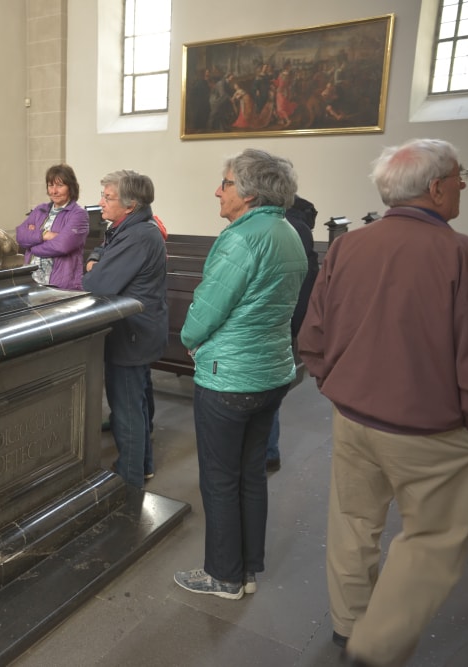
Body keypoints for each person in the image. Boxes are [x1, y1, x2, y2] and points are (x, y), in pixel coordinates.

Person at [298, 139, 468, 667]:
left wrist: (335, 383)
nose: (463, 184)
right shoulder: (460, 252)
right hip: (429, 428)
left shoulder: (349, 246)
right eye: (459, 176)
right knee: (433, 537)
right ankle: (376, 649)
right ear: (437, 186)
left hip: (352, 416)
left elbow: (315, 331)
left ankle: (349, 628)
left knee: (353, 523)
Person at [173, 149, 307, 600]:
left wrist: (190, 339)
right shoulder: (287, 231)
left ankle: (223, 575)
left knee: (218, 477)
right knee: (250, 474)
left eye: (225, 182)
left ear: (248, 193)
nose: (218, 190)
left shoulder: (241, 238)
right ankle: (247, 569)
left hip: (229, 377)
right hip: (270, 373)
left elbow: (206, 309)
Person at [82, 170, 168, 489]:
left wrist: (93, 269)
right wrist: (96, 261)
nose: (100, 202)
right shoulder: (125, 228)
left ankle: (129, 475)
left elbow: (97, 284)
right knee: (137, 400)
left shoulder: (138, 235)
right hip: (137, 329)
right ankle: (142, 465)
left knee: (128, 406)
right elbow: (101, 255)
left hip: (132, 332)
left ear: (130, 204)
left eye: (108, 197)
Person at [265, 194, 320, 471]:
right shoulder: (296, 226)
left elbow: (300, 286)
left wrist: (290, 327)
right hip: (282, 322)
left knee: (267, 389)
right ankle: (267, 450)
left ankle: (268, 450)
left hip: (277, 322)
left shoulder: (290, 228)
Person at [15, 164, 88, 290]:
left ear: (71, 187)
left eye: (60, 185)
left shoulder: (78, 214)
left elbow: (62, 246)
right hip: (31, 282)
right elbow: (20, 235)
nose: (54, 191)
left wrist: (32, 246)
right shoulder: (40, 210)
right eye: (50, 185)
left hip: (60, 286)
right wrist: (44, 235)